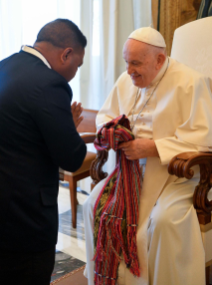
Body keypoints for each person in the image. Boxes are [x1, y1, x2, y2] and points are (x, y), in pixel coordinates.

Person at [83, 27, 212, 285]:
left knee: (165, 221)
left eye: (136, 63)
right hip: (127, 173)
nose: (129, 70)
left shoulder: (191, 82)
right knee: (91, 205)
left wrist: (152, 148)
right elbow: (105, 117)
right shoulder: (126, 80)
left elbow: (204, 138)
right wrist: (112, 132)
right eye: (126, 62)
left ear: (159, 60)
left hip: (175, 176)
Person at [0, 19, 87, 285]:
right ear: (67, 54)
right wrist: (70, 129)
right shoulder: (50, 84)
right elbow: (71, 157)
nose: (75, 73)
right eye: (77, 65)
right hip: (26, 218)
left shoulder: (5, 66)